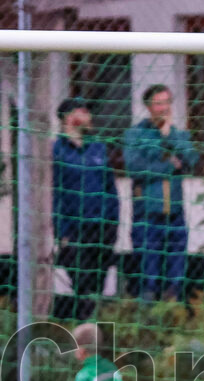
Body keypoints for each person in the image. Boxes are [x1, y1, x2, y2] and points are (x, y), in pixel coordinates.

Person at [124, 84, 199, 301]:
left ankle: (172, 312)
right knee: (149, 273)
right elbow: (134, 167)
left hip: (175, 214)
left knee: (176, 272)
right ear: (148, 106)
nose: (164, 108)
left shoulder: (178, 134)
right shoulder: (135, 134)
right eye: (158, 103)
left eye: (167, 102)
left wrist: (169, 136)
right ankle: (147, 318)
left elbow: (191, 161)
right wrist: (169, 166)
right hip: (147, 214)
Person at [52, 97, 120, 321]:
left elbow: (110, 188)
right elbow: (55, 193)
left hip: (102, 228)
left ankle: (95, 331)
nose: (89, 117)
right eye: (84, 111)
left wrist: (113, 222)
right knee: (81, 285)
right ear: (69, 118)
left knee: (98, 285)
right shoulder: (57, 151)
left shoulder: (98, 147)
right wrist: (62, 232)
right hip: (75, 230)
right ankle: (82, 333)